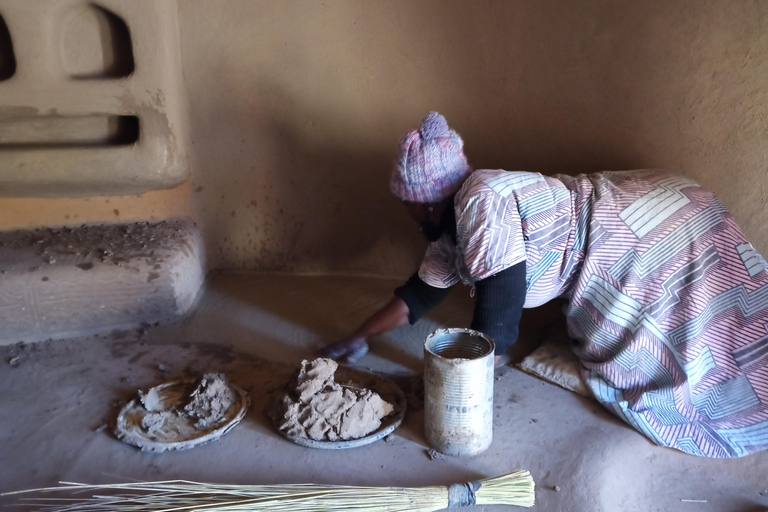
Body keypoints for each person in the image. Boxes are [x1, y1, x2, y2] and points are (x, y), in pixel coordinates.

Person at [322, 111, 768, 458]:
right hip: (651, 199)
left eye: (407, 203)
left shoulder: (480, 203)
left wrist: (453, 393)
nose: (406, 214)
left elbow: (496, 327)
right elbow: (417, 296)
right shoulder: (454, 227)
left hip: (646, 225)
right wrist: (360, 335)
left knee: (681, 347)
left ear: (423, 202)